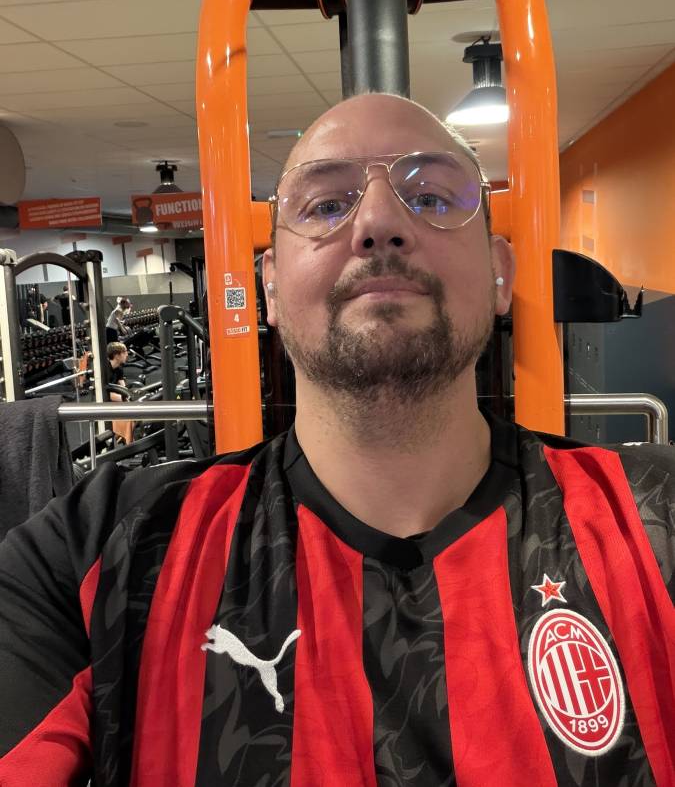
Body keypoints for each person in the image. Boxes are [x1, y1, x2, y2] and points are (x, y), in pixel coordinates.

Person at [0, 94, 673, 786]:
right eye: (326, 205)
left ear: (500, 273)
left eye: (432, 198)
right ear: (269, 287)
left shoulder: (656, 519)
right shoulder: (101, 549)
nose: (378, 223)